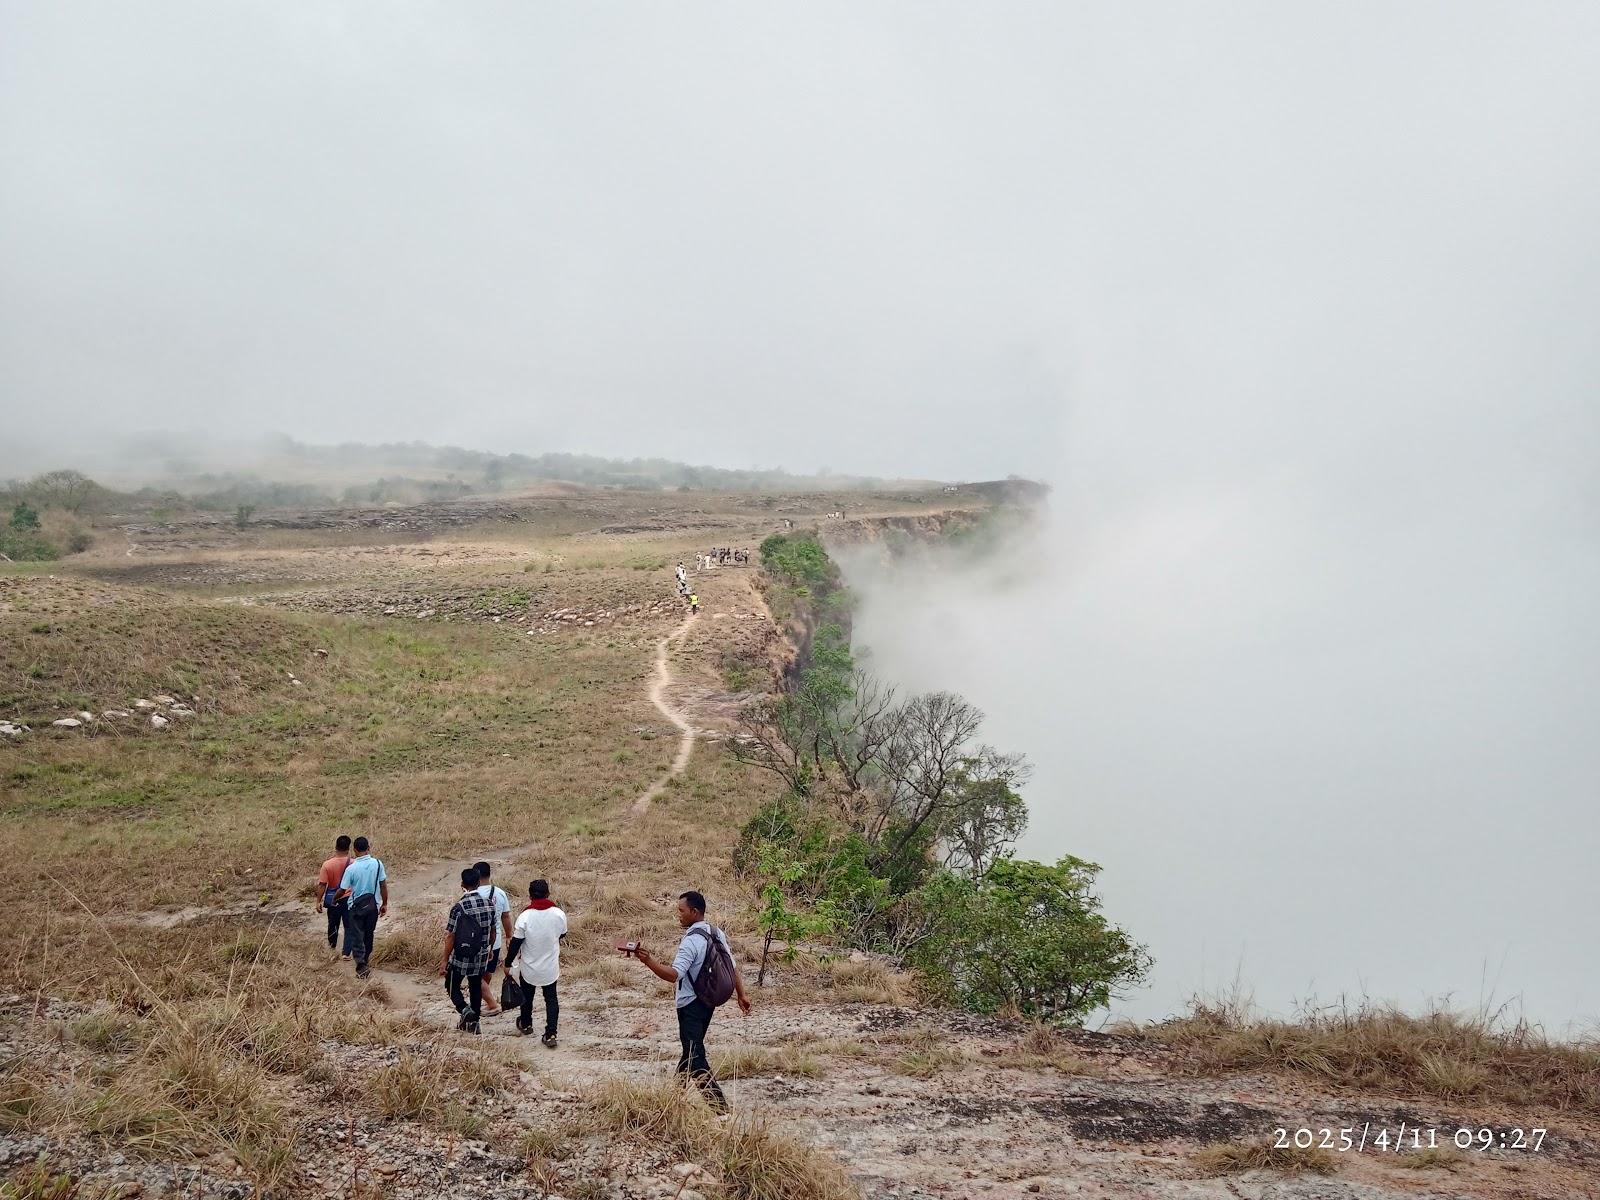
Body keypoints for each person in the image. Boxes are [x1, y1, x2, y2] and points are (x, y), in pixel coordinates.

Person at [632, 890, 752, 1114]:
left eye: (681, 910)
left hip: (690, 1006)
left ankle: (721, 1111)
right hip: (708, 1002)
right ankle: (674, 1098)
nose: (678, 915)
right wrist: (741, 995)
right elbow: (731, 966)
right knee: (690, 1050)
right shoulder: (716, 933)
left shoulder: (691, 942)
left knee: (696, 1058)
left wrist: (648, 961)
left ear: (694, 912)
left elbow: (673, 975)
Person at [506, 879, 567, 1047]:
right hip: (550, 966)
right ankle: (551, 1033)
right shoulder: (558, 914)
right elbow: (562, 934)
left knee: (527, 997)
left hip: (529, 965)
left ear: (530, 896)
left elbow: (516, 943)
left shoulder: (525, 916)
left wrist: (507, 963)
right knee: (551, 998)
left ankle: (526, 1024)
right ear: (548, 894)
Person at [441, 867, 495, 1033]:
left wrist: (444, 959)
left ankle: (465, 1010)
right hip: (481, 954)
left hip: (461, 956)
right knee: (475, 987)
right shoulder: (489, 904)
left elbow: (451, 935)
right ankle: (474, 1023)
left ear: (462, 884)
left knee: (451, 985)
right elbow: (493, 931)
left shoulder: (459, 907)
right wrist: (490, 948)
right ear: (479, 883)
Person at [334, 836, 388, 978]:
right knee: (369, 934)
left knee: (357, 935)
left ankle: (361, 965)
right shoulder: (377, 863)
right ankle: (366, 960)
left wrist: (335, 899)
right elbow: (383, 885)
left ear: (355, 850)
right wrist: (385, 903)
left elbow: (342, 889)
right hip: (373, 906)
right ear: (368, 848)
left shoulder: (351, 869)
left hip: (356, 907)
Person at [473, 860, 513, 1016]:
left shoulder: (472, 894)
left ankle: (492, 1004)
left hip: (477, 942)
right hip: (494, 942)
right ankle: (484, 999)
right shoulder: (500, 892)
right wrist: (509, 935)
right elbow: (506, 917)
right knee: (487, 973)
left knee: (474, 977)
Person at [313, 835, 354, 957]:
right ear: (348, 849)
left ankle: (332, 947)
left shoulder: (327, 865)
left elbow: (322, 884)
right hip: (348, 897)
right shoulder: (353, 864)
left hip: (333, 898)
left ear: (336, 847)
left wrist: (318, 901)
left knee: (333, 924)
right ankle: (346, 952)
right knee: (349, 925)